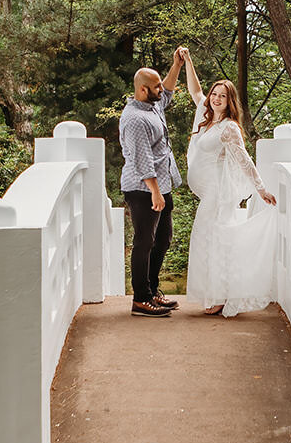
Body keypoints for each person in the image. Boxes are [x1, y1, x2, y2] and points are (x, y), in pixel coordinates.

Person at [180, 52, 278, 317]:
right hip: (208, 193)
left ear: (229, 100)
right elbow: (195, 90)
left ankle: (223, 296)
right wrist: (188, 61)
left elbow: (244, 160)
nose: (216, 99)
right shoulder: (207, 117)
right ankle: (215, 294)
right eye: (215, 94)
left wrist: (261, 189)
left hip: (217, 194)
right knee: (207, 239)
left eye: (222, 96)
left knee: (215, 240)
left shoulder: (229, 127)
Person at [119, 48, 187, 317]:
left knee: (163, 240)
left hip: (162, 186)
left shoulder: (153, 104)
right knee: (144, 242)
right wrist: (155, 192)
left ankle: (152, 291)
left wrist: (176, 65)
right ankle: (140, 299)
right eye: (156, 85)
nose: (162, 88)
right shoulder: (134, 118)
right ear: (143, 90)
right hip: (143, 189)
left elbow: (168, 91)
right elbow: (142, 160)